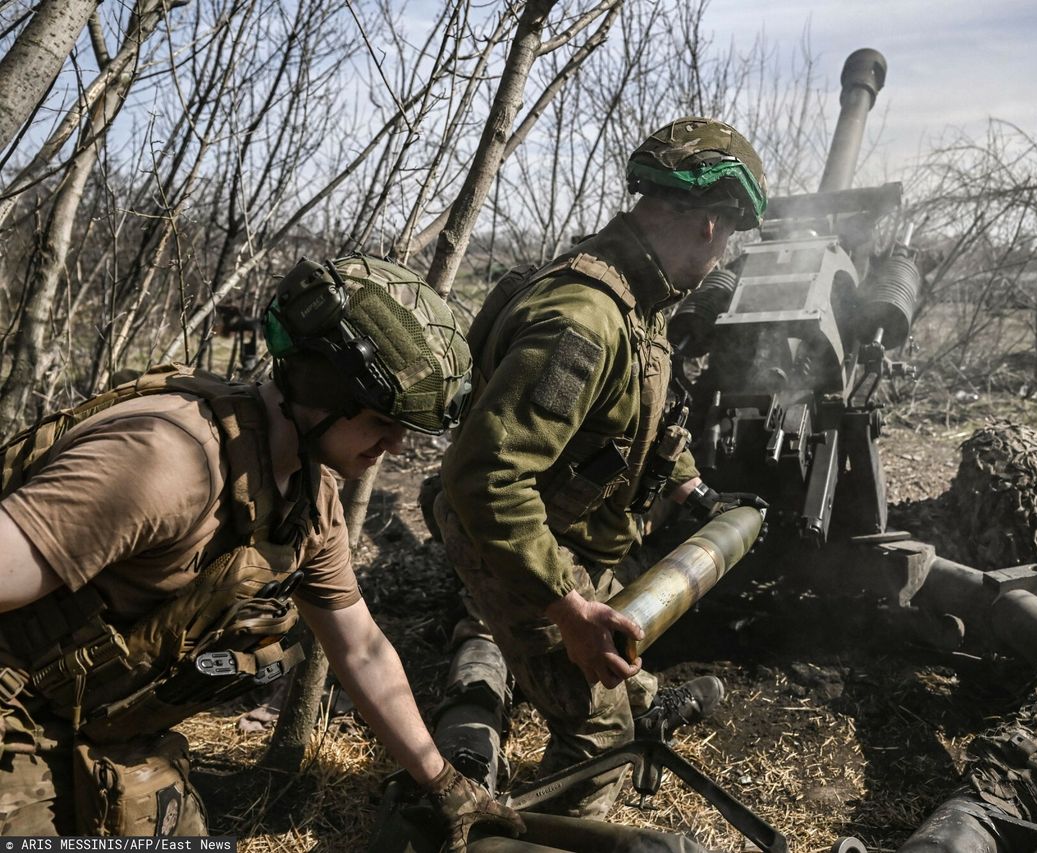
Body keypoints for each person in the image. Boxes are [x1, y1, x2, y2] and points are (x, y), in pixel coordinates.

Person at [0, 255, 522, 849]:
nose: (397, 446)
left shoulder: (307, 499)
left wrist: (444, 782)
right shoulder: (165, 464)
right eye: (382, 420)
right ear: (322, 391)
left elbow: (361, 649)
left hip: (105, 731)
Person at [434, 117, 769, 818]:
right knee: (598, 735)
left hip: (572, 537)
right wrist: (564, 605)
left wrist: (689, 482)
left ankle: (639, 707)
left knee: (627, 668)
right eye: (730, 236)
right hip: (515, 542)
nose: (724, 253)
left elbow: (639, 408)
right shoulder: (584, 318)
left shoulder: (636, 298)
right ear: (710, 225)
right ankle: (557, 827)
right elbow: (486, 477)